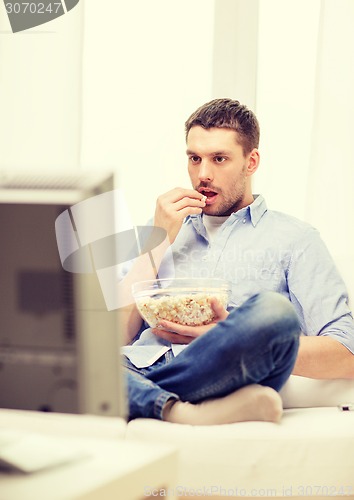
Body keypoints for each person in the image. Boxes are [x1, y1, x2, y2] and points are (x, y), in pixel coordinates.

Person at [120, 98, 354, 425]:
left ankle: (145, 401)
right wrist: (156, 242)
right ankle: (179, 410)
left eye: (219, 159)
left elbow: (347, 354)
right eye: (194, 158)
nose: (202, 174)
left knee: (275, 311)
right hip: (141, 368)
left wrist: (228, 335)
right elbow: (112, 338)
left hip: (226, 371)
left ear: (251, 161)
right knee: (82, 362)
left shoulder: (296, 238)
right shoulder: (163, 226)